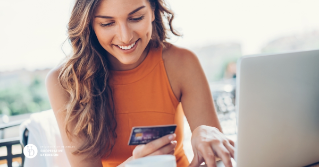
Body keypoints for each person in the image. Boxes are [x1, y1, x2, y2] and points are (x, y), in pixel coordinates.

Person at [45, 0, 235, 167]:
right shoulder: (65, 83)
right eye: (107, 23)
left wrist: (205, 132)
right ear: (90, 24)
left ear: (152, 11)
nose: (125, 37)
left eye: (136, 18)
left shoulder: (181, 63)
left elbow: (217, 159)